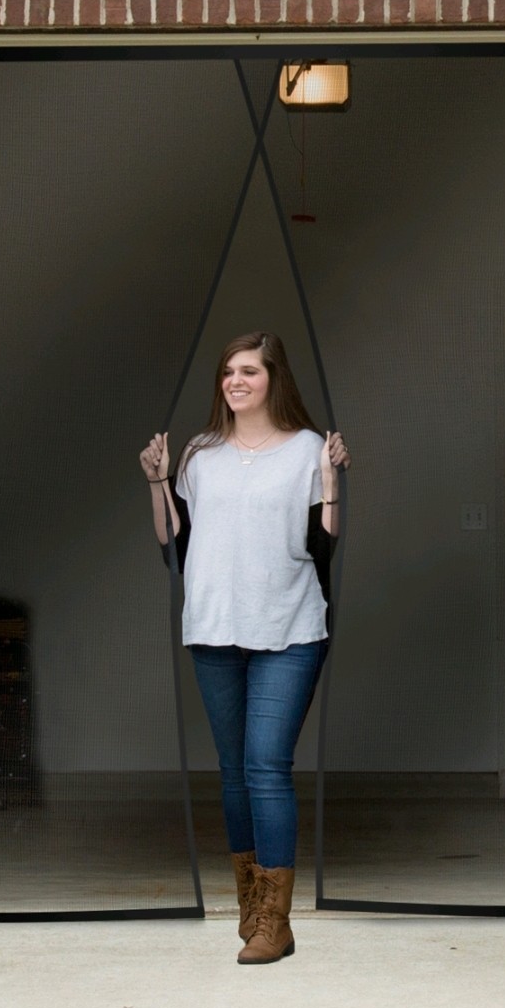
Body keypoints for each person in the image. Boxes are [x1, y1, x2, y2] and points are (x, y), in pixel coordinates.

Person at [139, 331, 350, 965]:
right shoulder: (201, 454)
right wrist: (158, 482)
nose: (235, 381)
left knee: (265, 767)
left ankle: (276, 923)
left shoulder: (308, 450)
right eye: (228, 372)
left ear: (273, 380)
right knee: (233, 775)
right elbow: (174, 541)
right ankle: (250, 909)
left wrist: (330, 480)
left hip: (288, 625)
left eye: (249, 371)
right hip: (212, 627)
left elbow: (325, 541)